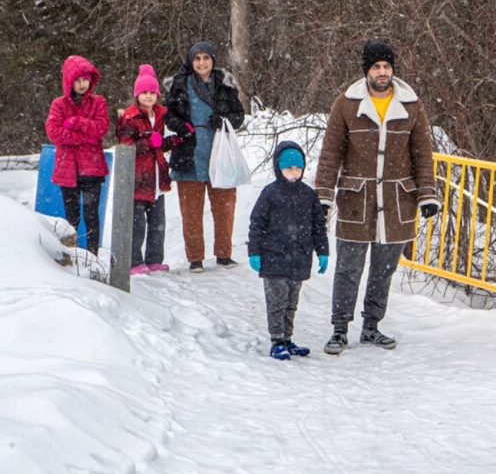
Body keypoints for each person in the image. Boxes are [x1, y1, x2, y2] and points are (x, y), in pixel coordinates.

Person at [314, 39, 440, 355]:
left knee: (384, 270)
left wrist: (427, 193)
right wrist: (324, 195)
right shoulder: (346, 103)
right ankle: (339, 329)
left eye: (386, 66)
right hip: (357, 200)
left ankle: (371, 326)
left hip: (398, 201)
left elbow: (422, 153)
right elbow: (331, 152)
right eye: (376, 67)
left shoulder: (411, 104)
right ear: (366, 71)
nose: (382, 72)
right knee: (348, 268)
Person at [164, 41, 245, 273]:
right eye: (197, 58)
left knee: (224, 207)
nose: (201, 63)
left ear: (213, 60)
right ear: (191, 61)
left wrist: (224, 120)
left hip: (220, 153)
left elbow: (239, 116)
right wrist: (183, 126)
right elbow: (168, 116)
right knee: (191, 210)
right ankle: (196, 258)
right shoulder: (179, 84)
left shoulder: (225, 84)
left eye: (206, 58)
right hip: (189, 152)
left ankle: (224, 254)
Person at [247, 141, 330, 360]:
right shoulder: (270, 193)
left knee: (292, 302)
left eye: (297, 168)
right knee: (277, 301)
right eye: (288, 168)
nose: (293, 173)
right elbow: (257, 223)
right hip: (274, 257)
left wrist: (322, 251)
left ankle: (287, 338)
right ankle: (277, 340)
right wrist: (254, 252)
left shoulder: (309, 195)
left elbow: (318, 226)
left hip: (299, 258)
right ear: (278, 168)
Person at [116, 64, 190, 275]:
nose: (148, 97)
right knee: (137, 226)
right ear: (137, 95)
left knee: (158, 223)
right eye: (144, 93)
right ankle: (135, 261)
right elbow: (126, 145)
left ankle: (155, 259)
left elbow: (159, 145)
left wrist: (176, 140)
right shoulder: (129, 117)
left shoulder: (159, 115)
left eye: (152, 93)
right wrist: (149, 141)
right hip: (138, 178)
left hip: (157, 178)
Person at [45, 55, 110, 256]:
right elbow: (53, 131)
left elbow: (101, 128)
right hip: (68, 170)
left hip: (92, 169)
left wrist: (76, 122)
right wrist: (84, 138)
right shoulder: (59, 104)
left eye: (86, 79)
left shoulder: (98, 102)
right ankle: (71, 256)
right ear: (69, 81)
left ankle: (92, 255)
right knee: (71, 218)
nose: (83, 84)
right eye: (78, 79)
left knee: (92, 216)